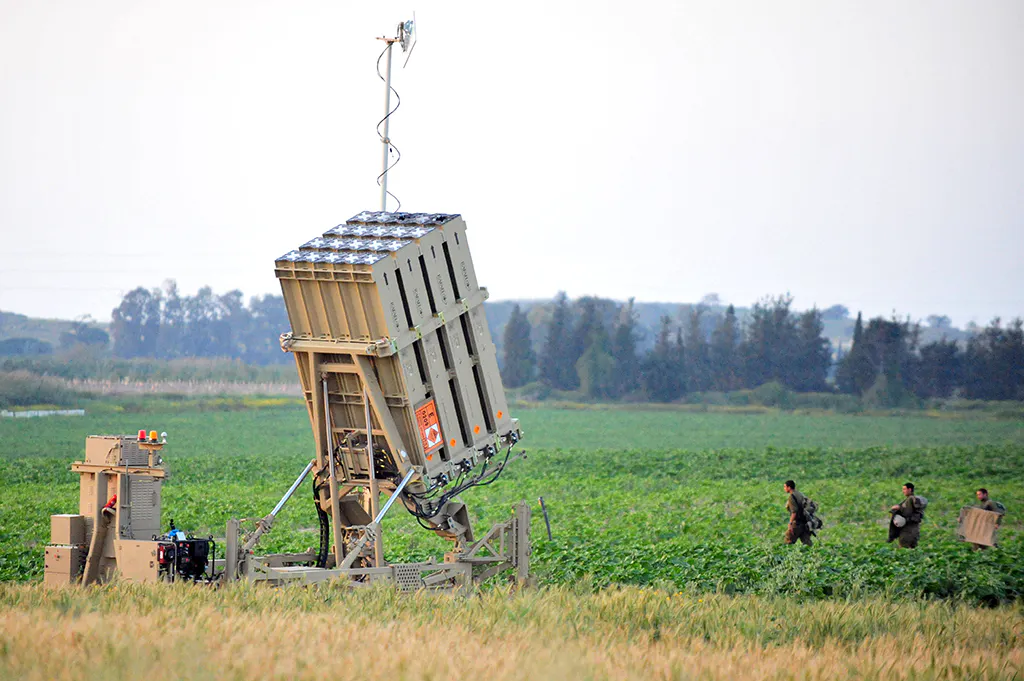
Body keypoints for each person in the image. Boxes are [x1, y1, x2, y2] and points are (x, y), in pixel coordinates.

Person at [888, 482, 923, 549]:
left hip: (908, 531)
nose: (903, 491)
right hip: (913, 531)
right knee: (913, 549)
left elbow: (908, 513)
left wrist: (899, 508)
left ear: (909, 489)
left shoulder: (911, 499)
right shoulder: (909, 500)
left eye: (904, 489)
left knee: (904, 549)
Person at [784, 480, 812, 546]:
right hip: (805, 523)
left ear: (789, 487)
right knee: (807, 544)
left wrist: (790, 523)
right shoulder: (800, 494)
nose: (784, 488)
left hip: (797, 523)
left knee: (788, 542)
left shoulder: (792, 497)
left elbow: (794, 512)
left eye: (785, 486)